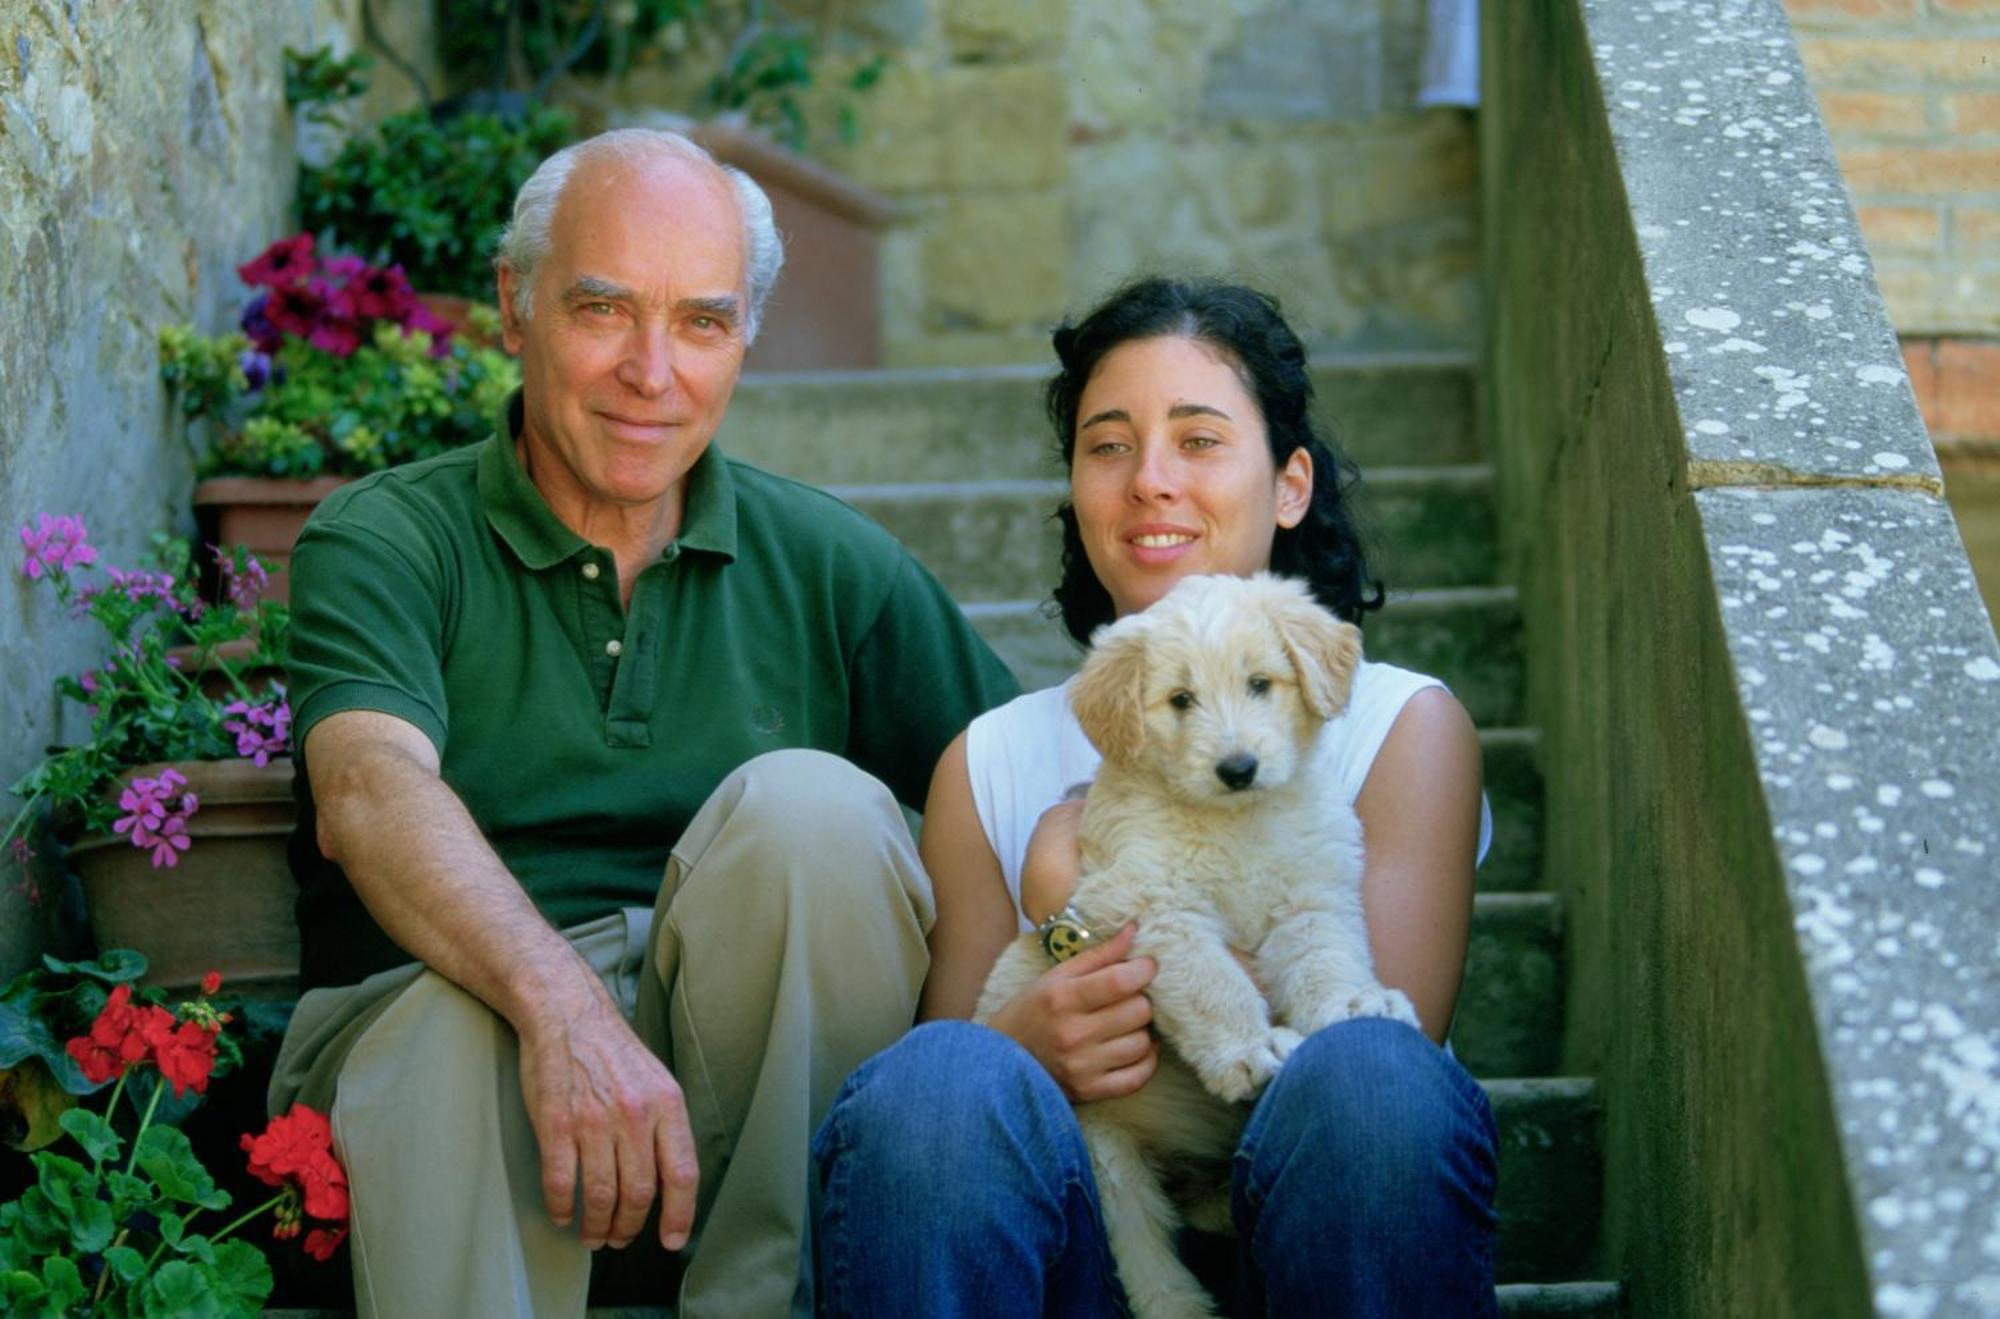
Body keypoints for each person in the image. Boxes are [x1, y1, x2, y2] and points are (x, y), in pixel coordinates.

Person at [267, 127, 1018, 1318]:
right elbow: (367, 788)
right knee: (465, 1039)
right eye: (605, 308)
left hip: (731, 1058)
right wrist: (560, 1008)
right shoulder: (388, 537)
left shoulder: (833, 565)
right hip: (436, 1025)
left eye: (703, 322)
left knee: (812, 812)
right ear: (514, 307)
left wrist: (1041, 997)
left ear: (744, 340)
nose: (652, 370)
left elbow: (1029, 789)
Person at [812, 278, 1500, 1317]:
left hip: (1322, 1216)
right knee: (937, 1088)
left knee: (1368, 1077)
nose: (1149, 481)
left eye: (1198, 439)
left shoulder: (1398, 724)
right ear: (1075, 488)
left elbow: (1356, 1043)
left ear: (1288, 483)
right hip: (1081, 1228)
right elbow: (968, 1071)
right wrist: (1057, 936)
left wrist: (1072, 897)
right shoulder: (991, 759)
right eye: (1107, 445)